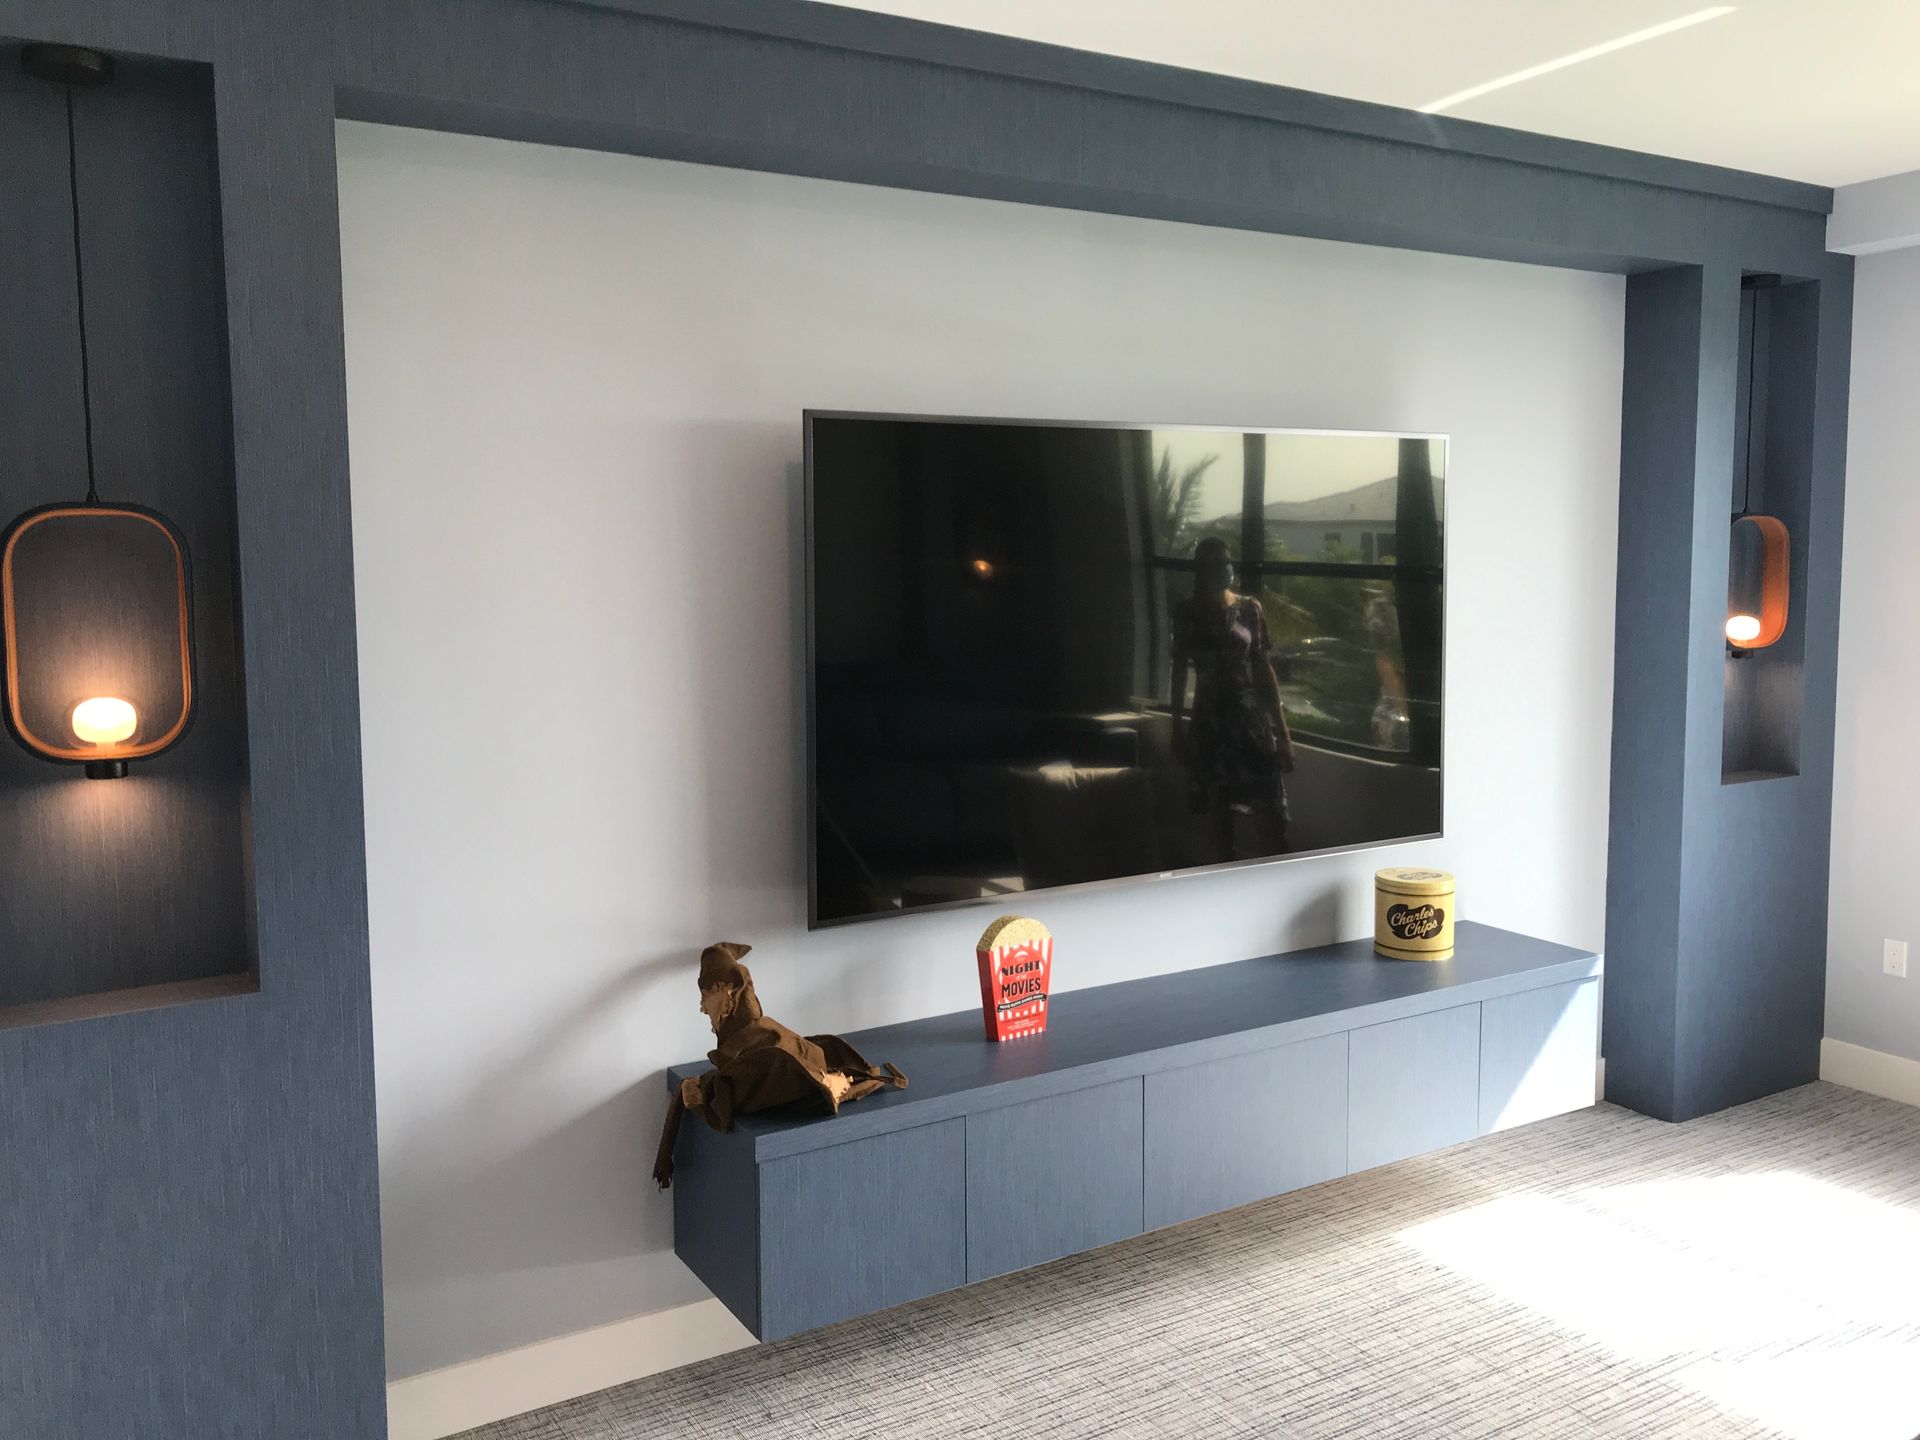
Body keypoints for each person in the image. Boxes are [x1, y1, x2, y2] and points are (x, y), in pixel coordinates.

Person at [1170, 537, 1294, 861]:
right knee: (1220, 823)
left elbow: (1263, 668)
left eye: (1226, 561)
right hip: (1210, 721)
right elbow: (1179, 672)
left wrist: (1282, 732)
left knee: (1272, 817)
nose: (1223, 569)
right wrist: (1176, 729)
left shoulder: (1249, 609)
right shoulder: (1187, 613)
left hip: (1249, 718)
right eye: (1214, 563)